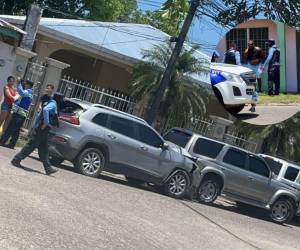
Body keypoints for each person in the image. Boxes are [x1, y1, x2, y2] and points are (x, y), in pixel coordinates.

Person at [11, 84, 59, 175]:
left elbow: (41, 112)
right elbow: (44, 111)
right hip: (43, 127)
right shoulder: (51, 102)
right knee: (31, 144)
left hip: (43, 127)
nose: (46, 89)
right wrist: (46, 123)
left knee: (44, 148)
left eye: (48, 88)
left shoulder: (49, 101)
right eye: (46, 88)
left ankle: (48, 167)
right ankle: (16, 159)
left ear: (52, 90)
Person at [0, 79, 34, 149]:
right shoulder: (29, 92)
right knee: (16, 130)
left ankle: (2, 141)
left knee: (10, 127)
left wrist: (19, 83)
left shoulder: (28, 92)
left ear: (28, 85)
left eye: (25, 83)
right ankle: (12, 144)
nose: (24, 84)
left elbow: (22, 92)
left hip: (20, 113)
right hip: (21, 113)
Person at [244, 40, 264, 112]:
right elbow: (246, 59)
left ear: (254, 45)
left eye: (251, 44)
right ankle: (253, 104)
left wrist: (257, 60)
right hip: (250, 66)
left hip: (257, 66)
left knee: (256, 81)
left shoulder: (258, 49)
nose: (250, 46)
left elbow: (262, 58)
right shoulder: (246, 51)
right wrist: (250, 61)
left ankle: (254, 103)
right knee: (251, 84)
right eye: (249, 45)